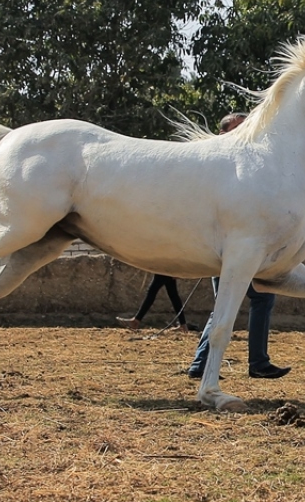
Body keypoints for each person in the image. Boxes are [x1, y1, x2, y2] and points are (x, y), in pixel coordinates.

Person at [186, 113, 290, 380]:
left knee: (234, 303)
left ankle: (203, 364)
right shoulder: (217, 164)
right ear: (222, 135)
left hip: (235, 247)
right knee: (253, 299)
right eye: (238, 129)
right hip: (226, 248)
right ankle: (255, 362)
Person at [117, 274, 190, 332]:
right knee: (173, 295)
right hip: (167, 267)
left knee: (152, 291)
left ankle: (136, 321)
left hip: (164, 267)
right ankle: (183, 326)